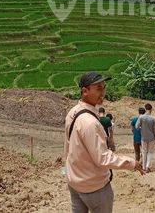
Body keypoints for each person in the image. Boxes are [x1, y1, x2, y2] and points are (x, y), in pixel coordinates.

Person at [64, 72, 144, 213]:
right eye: (99, 89)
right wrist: (131, 163)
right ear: (85, 91)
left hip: (75, 183)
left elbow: (68, 146)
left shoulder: (73, 112)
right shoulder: (90, 123)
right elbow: (103, 158)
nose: (103, 93)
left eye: (104, 88)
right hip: (94, 188)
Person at [135, 103, 155, 173]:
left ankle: (143, 167)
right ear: (151, 109)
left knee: (144, 152)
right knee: (150, 152)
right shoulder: (154, 118)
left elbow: (136, 127)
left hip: (143, 138)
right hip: (151, 138)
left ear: (145, 109)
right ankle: (147, 167)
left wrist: (142, 128)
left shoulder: (141, 117)